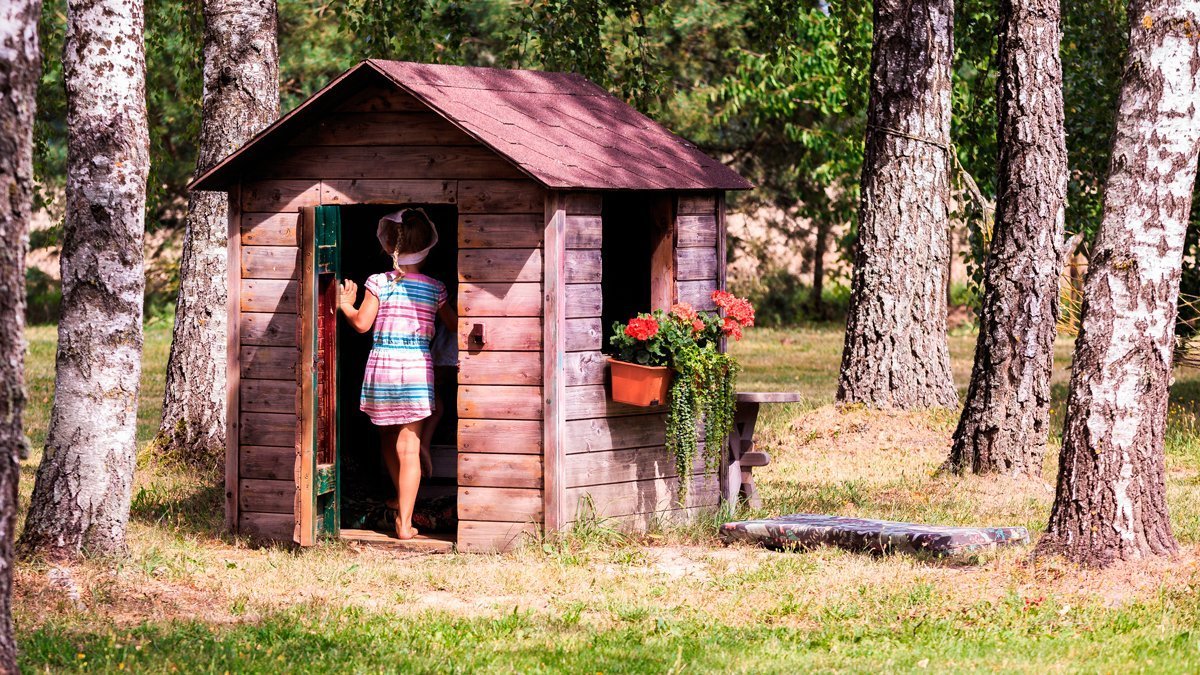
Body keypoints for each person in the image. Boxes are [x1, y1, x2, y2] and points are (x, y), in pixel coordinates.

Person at [338, 208, 456, 540]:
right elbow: (454, 326)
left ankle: (397, 497)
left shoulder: (377, 282)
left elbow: (361, 324)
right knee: (409, 446)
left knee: (387, 438)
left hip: (383, 367)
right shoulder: (436, 288)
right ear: (428, 247)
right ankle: (405, 522)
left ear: (389, 247)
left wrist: (346, 303)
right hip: (417, 368)